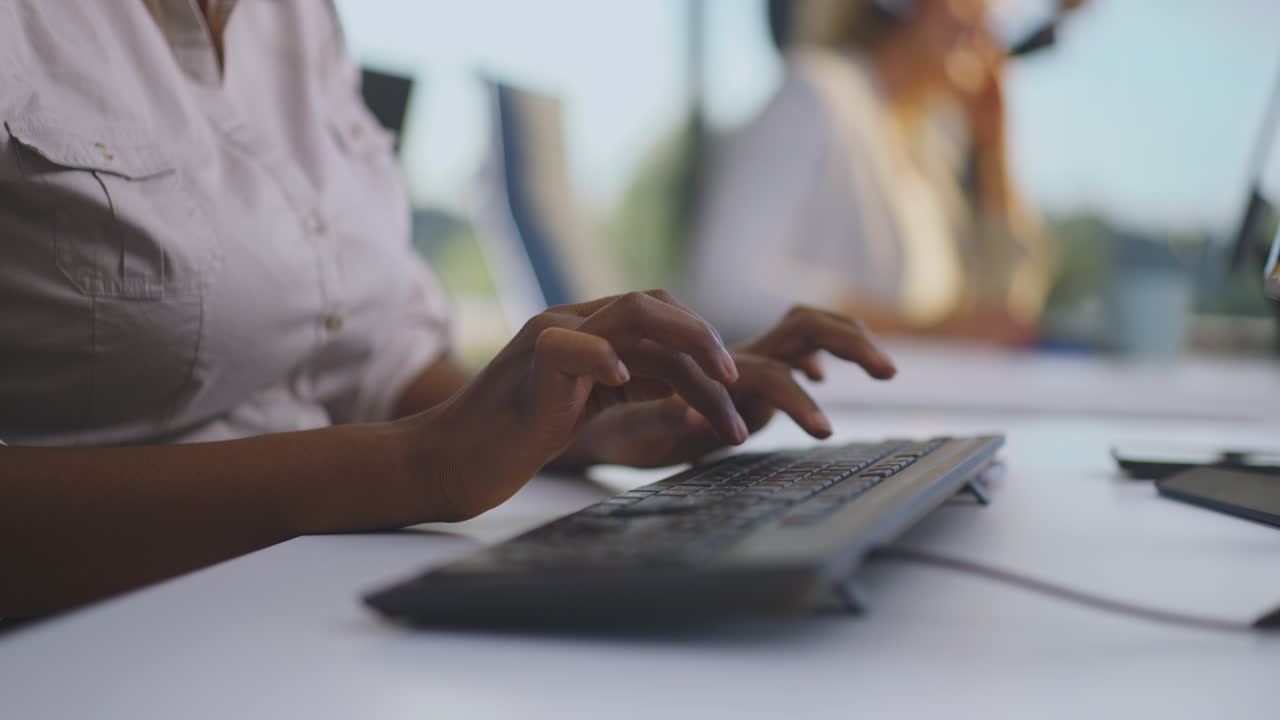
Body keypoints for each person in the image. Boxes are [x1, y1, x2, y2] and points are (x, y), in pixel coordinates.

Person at [0, 1, 896, 618]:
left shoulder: (292, 20)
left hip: (292, 607)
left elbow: (368, 354)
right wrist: (412, 467)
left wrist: (574, 424)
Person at [684, 0, 1058, 345]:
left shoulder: (930, 148)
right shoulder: (818, 94)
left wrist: (993, 148)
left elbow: (1004, 314)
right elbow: (724, 286)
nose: (989, 19)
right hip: (821, 412)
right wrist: (920, 334)